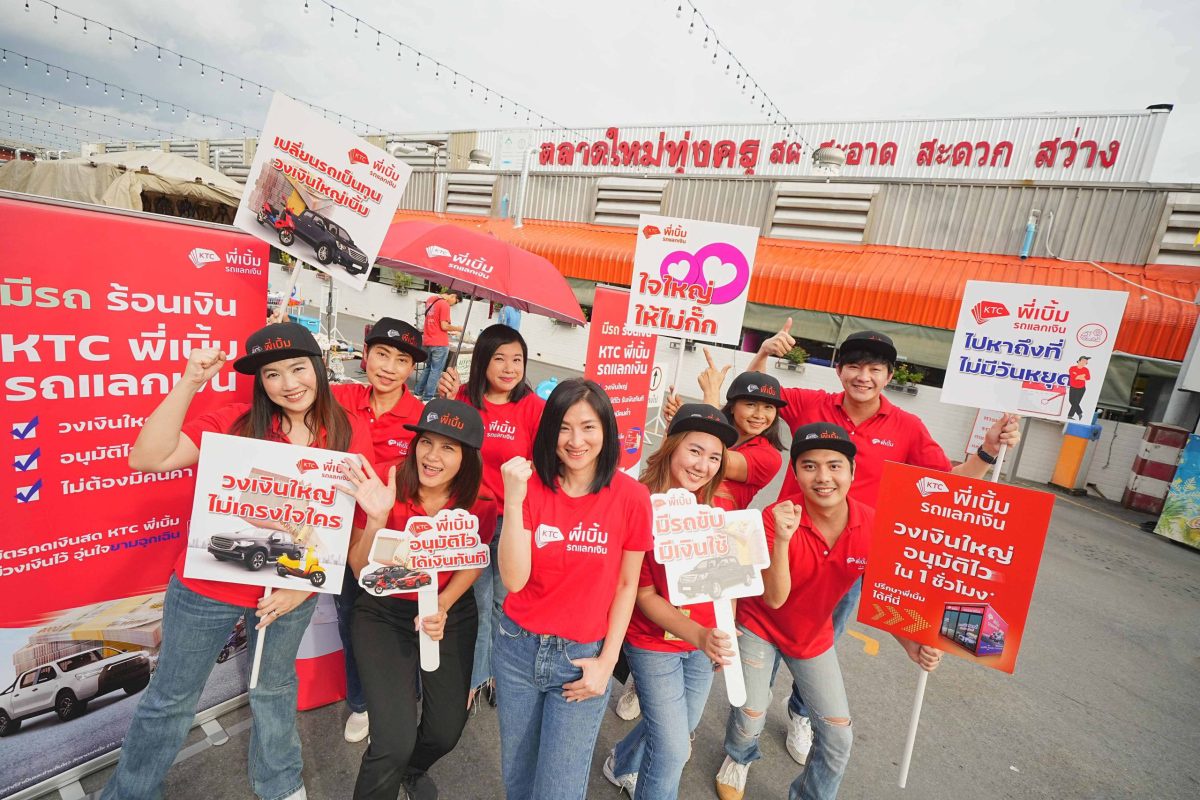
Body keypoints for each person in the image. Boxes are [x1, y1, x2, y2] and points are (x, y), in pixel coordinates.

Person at [100, 322, 373, 800]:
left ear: (318, 368)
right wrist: (189, 381)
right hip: (207, 586)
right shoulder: (235, 423)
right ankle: (129, 791)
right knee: (171, 699)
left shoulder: (347, 431)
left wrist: (303, 587)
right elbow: (148, 458)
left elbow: (344, 524)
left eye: (297, 368)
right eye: (272, 374)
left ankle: (280, 782)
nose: (288, 384)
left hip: (289, 588)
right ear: (259, 382)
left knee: (274, 689)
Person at [745, 321, 1019, 764]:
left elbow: (945, 487)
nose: (863, 376)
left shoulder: (907, 427)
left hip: (850, 557)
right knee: (764, 637)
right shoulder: (811, 403)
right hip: (788, 544)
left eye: (874, 368)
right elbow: (753, 401)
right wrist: (763, 353)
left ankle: (801, 712)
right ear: (838, 370)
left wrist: (986, 452)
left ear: (889, 376)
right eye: (854, 366)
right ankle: (747, 729)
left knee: (817, 642)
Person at [714, 423, 943, 800]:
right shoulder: (776, 517)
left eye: (835, 466)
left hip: (811, 636)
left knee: (838, 737)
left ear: (853, 472)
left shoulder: (873, 525)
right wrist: (784, 540)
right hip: (759, 626)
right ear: (796, 472)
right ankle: (738, 757)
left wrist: (911, 643)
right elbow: (774, 598)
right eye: (809, 466)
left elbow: (882, 592)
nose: (823, 477)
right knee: (750, 716)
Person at [493, 378, 653, 800]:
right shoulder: (528, 487)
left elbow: (626, 584)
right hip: (516, 649)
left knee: (559, 789)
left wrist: (607, 662)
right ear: (549, 432)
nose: (575, 440)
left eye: (588, 426)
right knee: (519, 777)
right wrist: (512, 501)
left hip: (581, 658)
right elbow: (513, 580)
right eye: (564, 427)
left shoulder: (632, 497)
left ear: (606, 431)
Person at [337, 398, 497, 800]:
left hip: (448, 612)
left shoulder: (481, 502)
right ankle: (390, 767)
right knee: (392, 740)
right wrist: (376, 517)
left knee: (445, 731)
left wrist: (443, 603)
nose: (432, 456)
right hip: (383, 612)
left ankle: (410, 769)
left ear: (468, 457)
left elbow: (474, 560)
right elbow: (359, 568)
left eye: (448, 448)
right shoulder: (386, 487)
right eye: (426, 442)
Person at [604, 404, 739, 800]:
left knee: (683, 723)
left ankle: (623, 761)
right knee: (674, 748)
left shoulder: (721, 507)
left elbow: (728, 581)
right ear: (672, 446)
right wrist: (699, 634)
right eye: (695, 451)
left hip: (702, 643)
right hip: (652, 642)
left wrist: (722, 632)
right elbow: (642, 594)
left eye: (714, 457)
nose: (703, 465)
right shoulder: (639, 503)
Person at [329, 316, 428, 742]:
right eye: (381, 354)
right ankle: (361, 702)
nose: (388, 367)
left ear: (412, 369)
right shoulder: (338, 397)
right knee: (351, 622)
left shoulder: (423, 416)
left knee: (404, 625)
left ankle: (406, 701)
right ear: (365, 354)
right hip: (343, 536)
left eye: (401, 359)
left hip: (400, 542)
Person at [437, 324, 545, 709]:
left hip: (513, 521)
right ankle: (477, 677)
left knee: (506, 601)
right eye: (499, 358)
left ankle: (498, 672)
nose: (509, 367)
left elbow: (543, 465)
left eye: (517, 359)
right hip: (469, 518)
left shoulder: (534, 408)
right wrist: (443, 402)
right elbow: (440, 448)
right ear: (482, 361)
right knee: (478, 602)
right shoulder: (463, 398)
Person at [416, 289, 462, 401]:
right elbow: (444, 326)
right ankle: (428, 398)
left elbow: (435, 322)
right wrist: (458, 328)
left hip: (428, 340)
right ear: (453, 296)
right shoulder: (444, 304)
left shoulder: (431, 300)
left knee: (428, 368)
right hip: (440, 343)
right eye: (455, 302)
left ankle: (417, 393)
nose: (453, 304)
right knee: (435, 371)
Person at [1067, 356, 1091, 420]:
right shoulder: (1072, 368)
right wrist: (1081, 376)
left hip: (1081, 388)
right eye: (1083, 361)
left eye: (1086, 362)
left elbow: (1088, 378)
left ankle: (1070, 416)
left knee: (1076, 402)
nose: (1085, 362)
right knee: (1071, 400)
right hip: (1073, 387)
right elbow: (1075, 377)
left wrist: (1078, 376)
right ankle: (1080, 413)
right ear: (1079, 361)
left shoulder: (1086, 370)